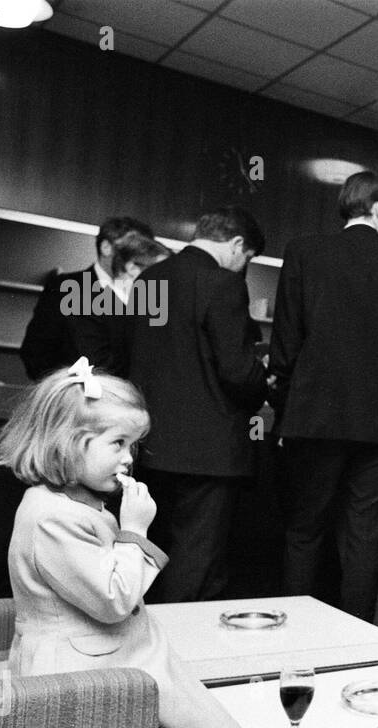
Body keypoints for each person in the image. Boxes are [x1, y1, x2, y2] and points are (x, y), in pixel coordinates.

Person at [0, 361, 236, 728]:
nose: (128, 459)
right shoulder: (53, 517)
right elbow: (114, 601)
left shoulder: (70, 500)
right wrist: (135, 530)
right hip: (82, 671)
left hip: (107, 655)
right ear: (69, 443)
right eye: (118, 443)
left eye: (134, 446)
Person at [270, 170, 378, 621]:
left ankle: (291, 639)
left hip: (312, 418)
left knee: (304, 532)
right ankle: (355, 645)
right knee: (365, 539)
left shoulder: (303, 253)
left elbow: (285, 343)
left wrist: (289, 409)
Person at [126, 206, 269, 603]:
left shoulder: (149, 278)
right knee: (197, 557)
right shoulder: (222, 283)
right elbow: (238, 372)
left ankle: (141, 642)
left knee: (151, 548)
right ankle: (181, 651)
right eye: (248, 258)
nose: (244, 267)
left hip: (150, 442)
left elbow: (136, 355)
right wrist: (264, 381)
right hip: (208, 450)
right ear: (237, 245)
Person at [19, 216, 154, 380]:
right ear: (106, 247)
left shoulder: (146, 294)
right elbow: (36, 350)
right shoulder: (66, 287)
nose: (141, 258)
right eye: (134, 249)